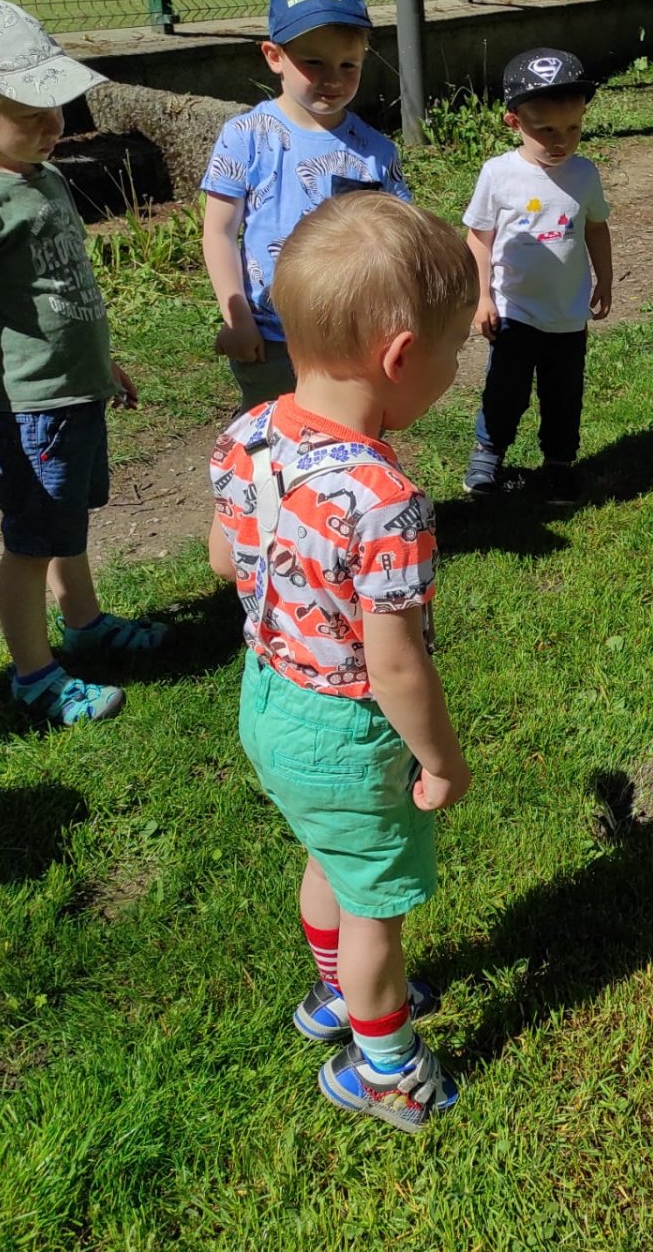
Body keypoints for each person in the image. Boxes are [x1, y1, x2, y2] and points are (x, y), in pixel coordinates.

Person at [206, 193, 479, 1131]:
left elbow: (223, 558)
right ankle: (383, 1069)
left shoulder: (249, 432)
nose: (456, 368)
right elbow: (395, 667)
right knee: (376, 910)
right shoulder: (386, 498)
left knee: (330, 857)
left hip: (267, 697)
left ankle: (334, 995)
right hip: (347, 730)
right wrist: (441, 760)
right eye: (454, 352)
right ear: (399, 357)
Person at [0, 0, 167, 726]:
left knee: (65, 525)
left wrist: (101, 362)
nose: (54, 124)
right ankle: (34, 675)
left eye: (55, 104)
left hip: (72, 393)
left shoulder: (42, 175)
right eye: (30, 112)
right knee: (30, 544)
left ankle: (84, 624)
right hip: (27, 411)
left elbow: (62, 290)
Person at [201, 0, 409, 412]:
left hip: (350, 338)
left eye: (348, 65)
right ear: (274, 56)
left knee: (343, 434)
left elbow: (397, 243)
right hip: (270, 337)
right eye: (314, 62)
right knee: (268, 434)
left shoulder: (375, 152)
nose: (333, 79)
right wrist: (236, 318)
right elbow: (219, 232)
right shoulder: (245, 137)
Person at [460, 48, 613, 505]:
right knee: (505, 388)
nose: (561, 141)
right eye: (546, 130)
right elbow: (478, 238)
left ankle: (560, 463)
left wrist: (604, 279)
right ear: (514, 122)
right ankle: (489, 452)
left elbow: (596, 226)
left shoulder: (584, 174)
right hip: (514, 308)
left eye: (573, 128)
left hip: (567, 313)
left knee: (563, 394)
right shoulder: (499, 174)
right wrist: (481, 297)